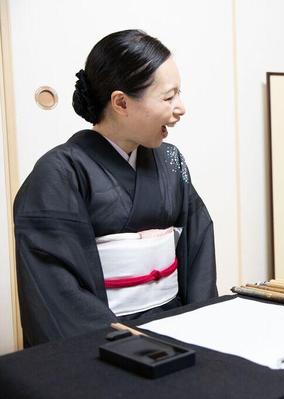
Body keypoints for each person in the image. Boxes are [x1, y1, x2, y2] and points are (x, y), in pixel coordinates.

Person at [14, 30, 217, 346]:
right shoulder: (59, 174)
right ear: (121, 102)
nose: (181, 108)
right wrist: (130, 347)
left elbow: (198, 248)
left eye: (179, 94)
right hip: (108, 346)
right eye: (168, 97)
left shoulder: (171, 160)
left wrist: (199, 327)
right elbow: (57, 294)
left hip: (180, 334)